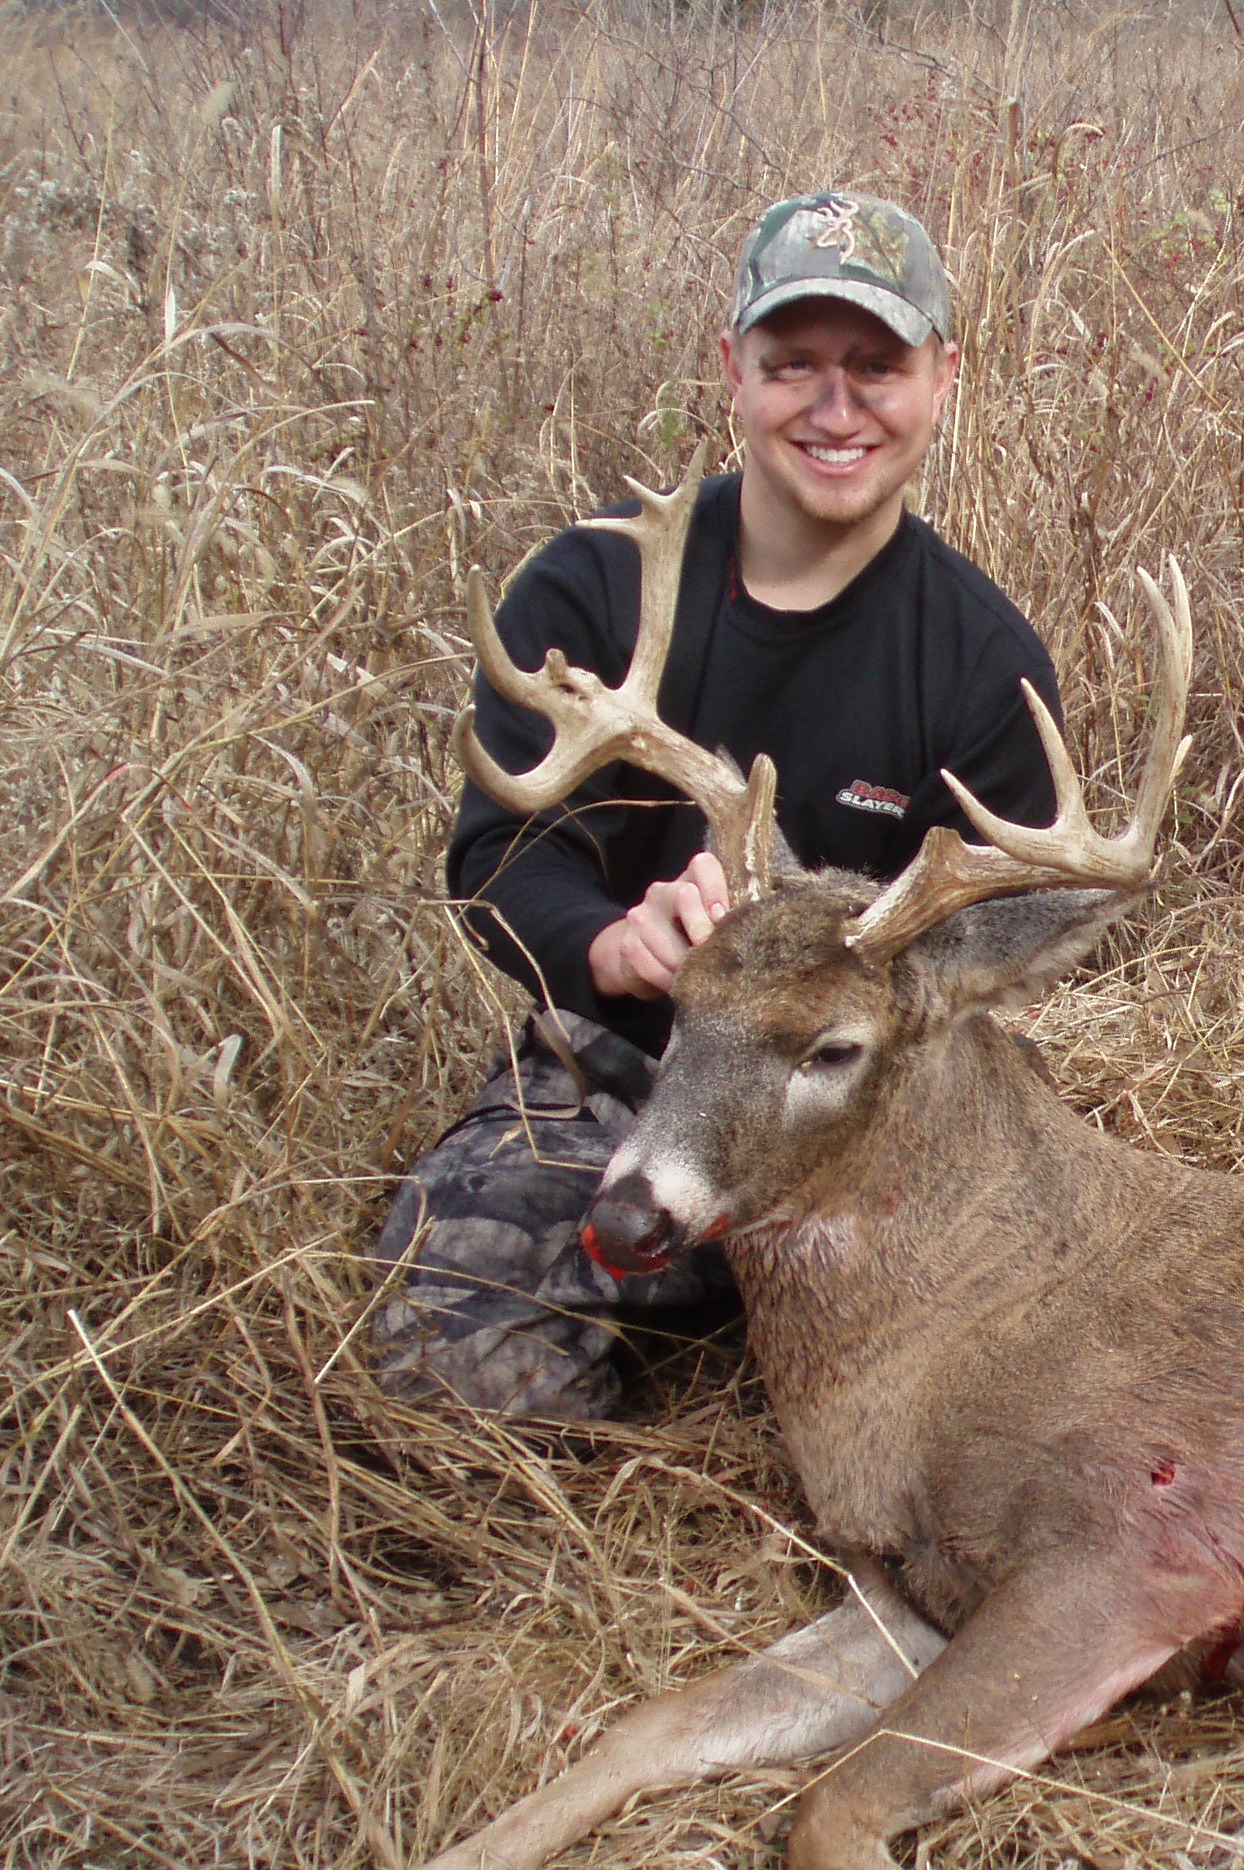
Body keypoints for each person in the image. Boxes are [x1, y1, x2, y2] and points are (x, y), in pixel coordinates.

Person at [370, 190, 1061, 1419]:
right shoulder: (594, 590)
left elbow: (980, 961)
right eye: (793, 364)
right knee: (446, 1345)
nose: (836, 410)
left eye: (877, 367)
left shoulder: (981, 664)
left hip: (861, 1126)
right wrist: (613, 944)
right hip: (626, 1079)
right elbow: (496, 860)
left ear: (944, 378)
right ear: (731, 368)